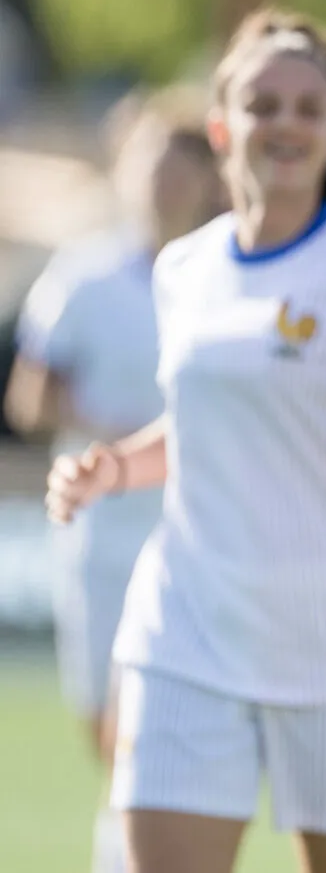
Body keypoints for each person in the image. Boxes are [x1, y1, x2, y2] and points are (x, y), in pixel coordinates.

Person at [43, 8, 326, 873]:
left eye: (305, 107)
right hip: (187, 631)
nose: (283, 123)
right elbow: (208, 429)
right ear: (223, 129)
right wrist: (116, 467)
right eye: (262, 104)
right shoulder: (185, 269)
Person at [5, 85, 224, 873]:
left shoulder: (225, 273)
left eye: (182, 164)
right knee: (102, 718)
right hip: (99, 533)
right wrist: (113, 430)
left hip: (194, 533)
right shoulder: (85, 277)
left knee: (161, 722)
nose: (166, 182)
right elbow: (30, 397)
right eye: (152, 164)